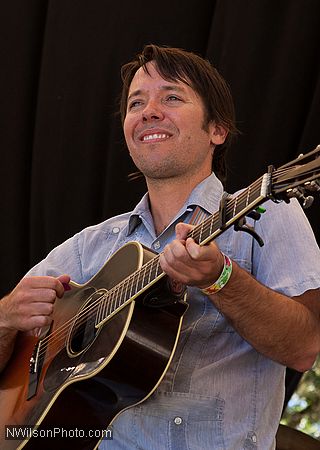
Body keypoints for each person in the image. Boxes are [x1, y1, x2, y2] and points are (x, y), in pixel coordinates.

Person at [0, 44, 320, 449]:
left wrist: (221, 278)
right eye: (137, 103)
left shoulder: (271, 213)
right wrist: (6, 317)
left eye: (171, 97)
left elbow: (304, 348)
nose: (149, 111)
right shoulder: (89, 246)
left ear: (217, 130)